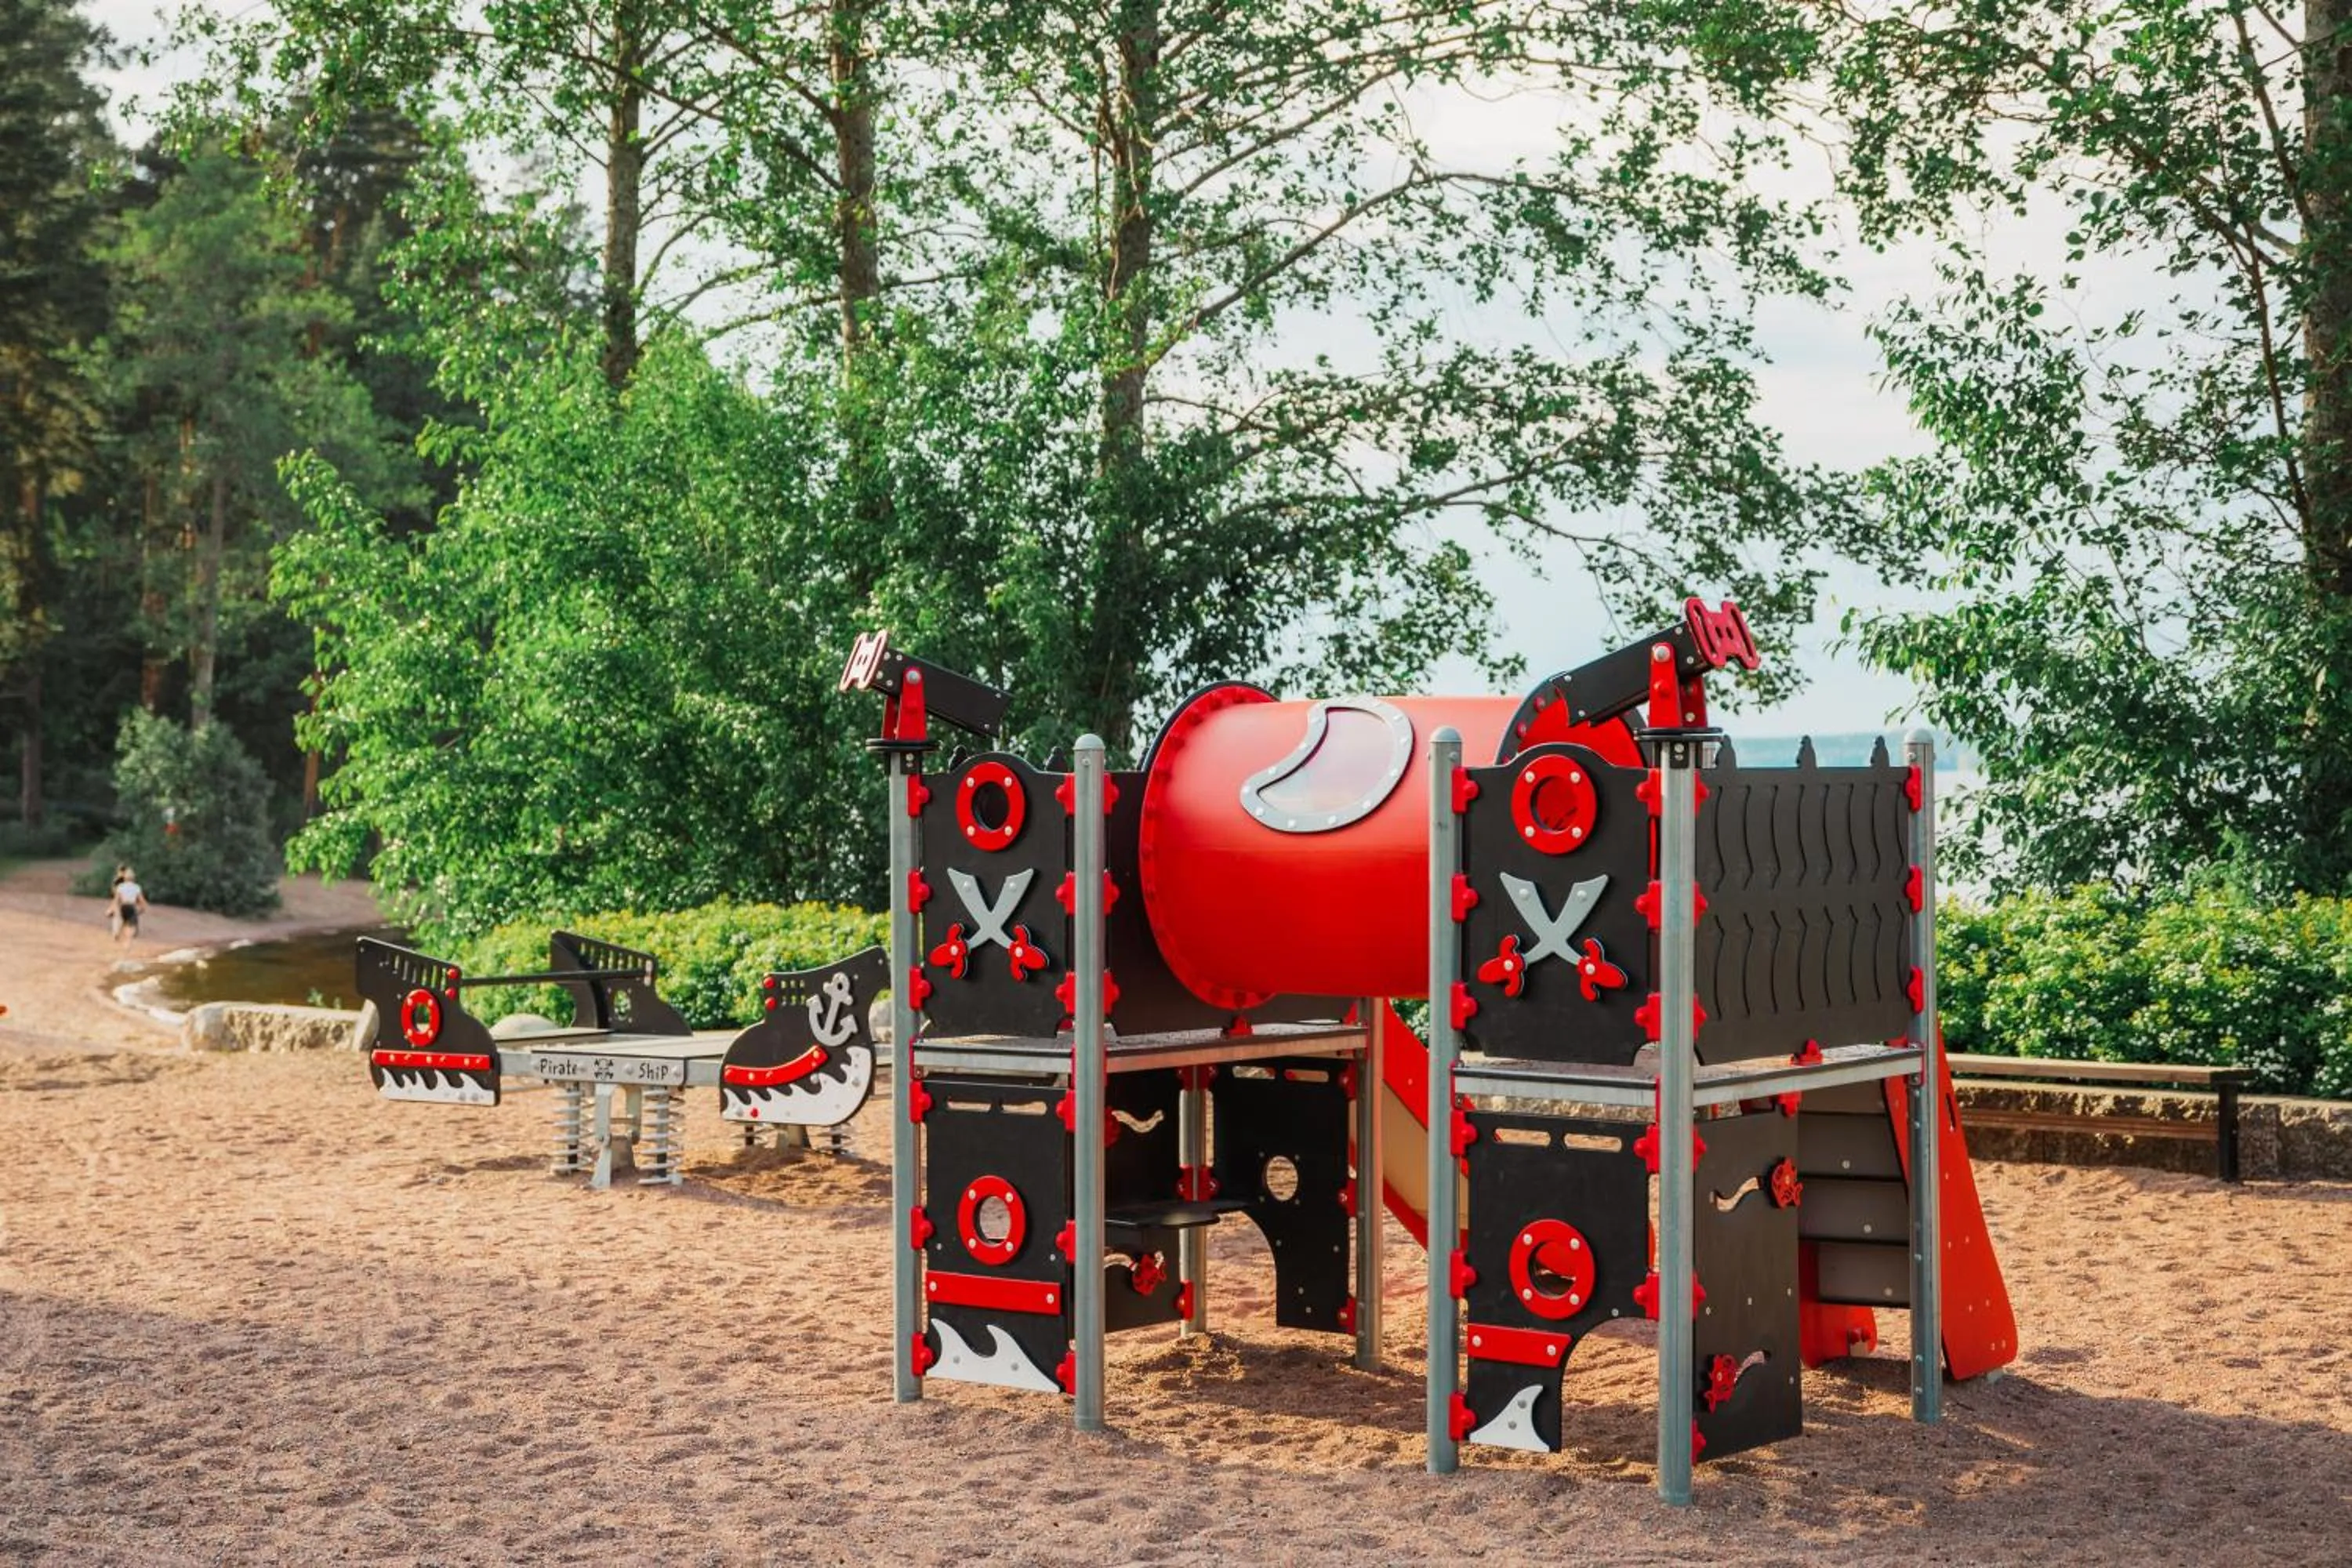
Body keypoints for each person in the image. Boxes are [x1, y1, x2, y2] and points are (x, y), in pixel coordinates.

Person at [111, 867, 147, 947]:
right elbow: (141, 899)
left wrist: (114, 908)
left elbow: (116, 899)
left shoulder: (120, 887)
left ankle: (117, 933)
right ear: (133, 878)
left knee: (121, 920)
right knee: (132, 925)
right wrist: (143, 907)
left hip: (123, 906)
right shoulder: (136, 887)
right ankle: (128, 942)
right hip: (131, 906)